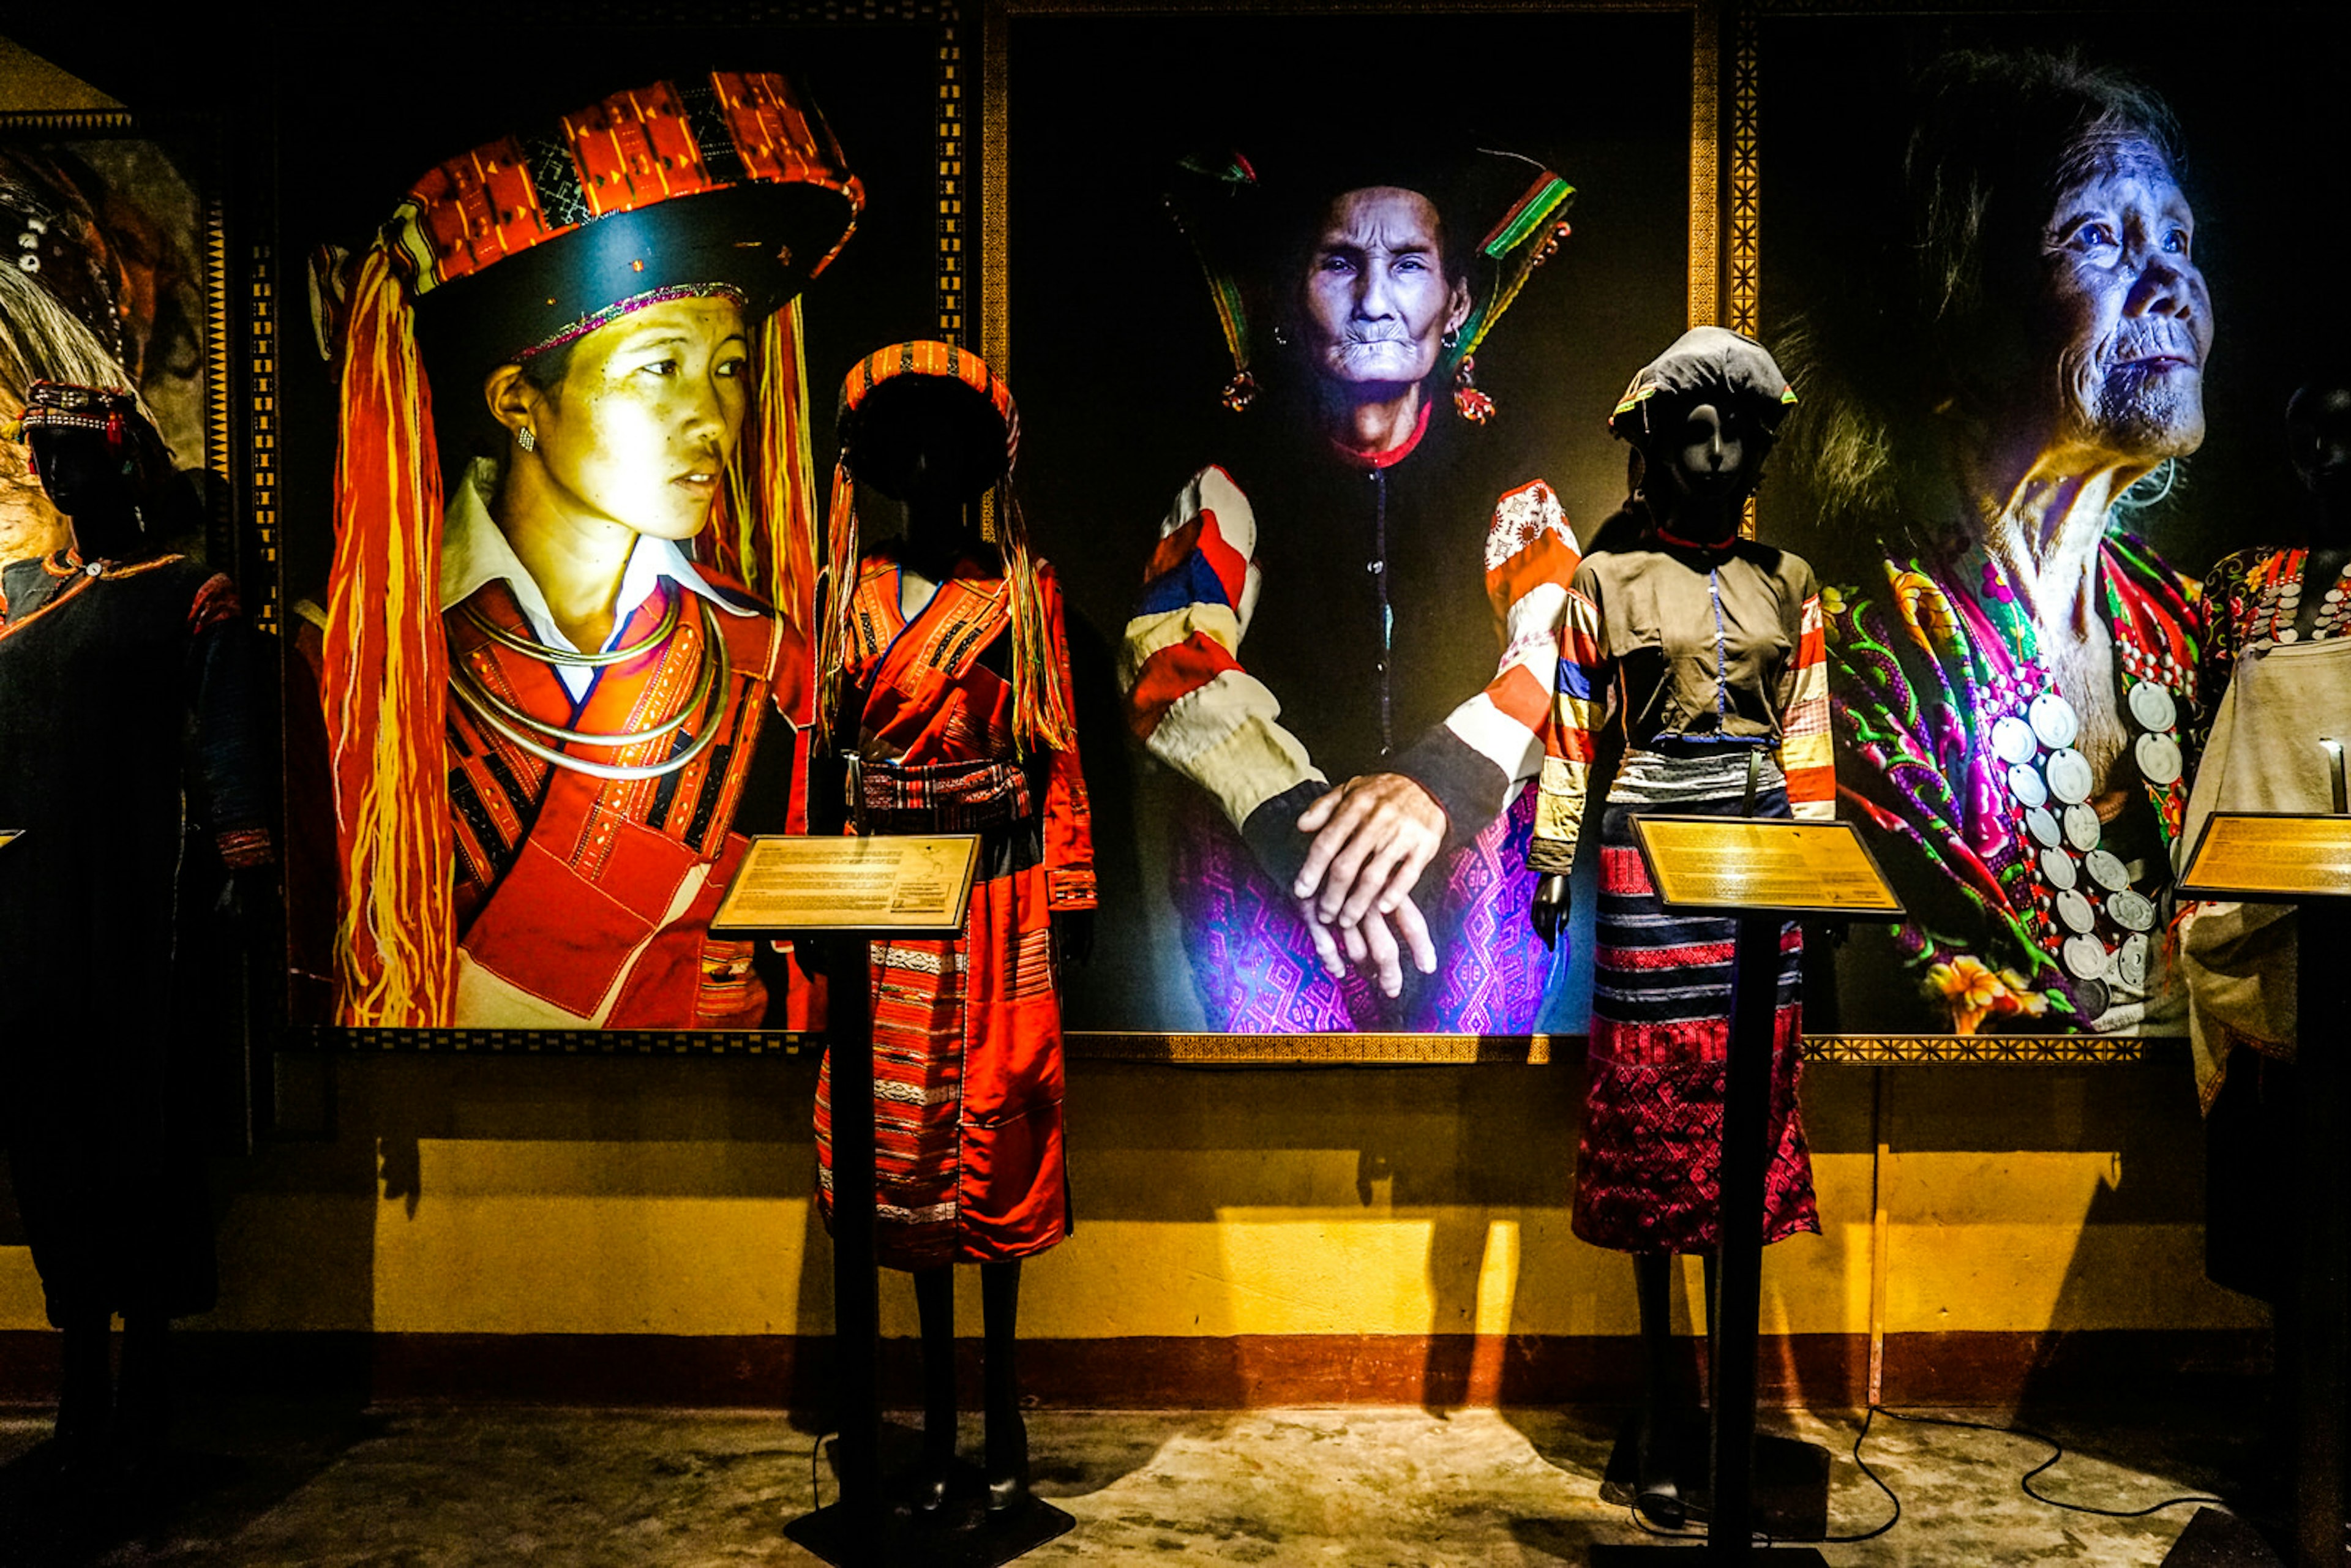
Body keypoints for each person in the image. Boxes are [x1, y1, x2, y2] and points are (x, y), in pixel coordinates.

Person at [309, 72, 861, 1029]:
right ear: (519, 401)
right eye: (658, 368)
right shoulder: (374, 665)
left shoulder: (769, 659)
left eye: (728, 368)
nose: (711, 418)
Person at [1785, 51, 2209, 1035]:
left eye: (2181, 239)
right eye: (2099, 235)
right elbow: (1935, 970)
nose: (2173, 284)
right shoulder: (1863, 653)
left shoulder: (2197, 630)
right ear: (1957, 319)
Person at [1122, 148, 1580, 1031]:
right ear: (1293, 297)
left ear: (1454, 304)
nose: (1374, 301)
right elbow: (1173, 655)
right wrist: (1309, 830)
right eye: (1341, 263)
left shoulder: (1508, 489)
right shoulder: (1236, 485)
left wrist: (1433, 791)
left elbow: (1559, 648)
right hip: (1281, 861)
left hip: (1461, 867)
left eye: (1408, 266)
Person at [1525, 326, 1826, 1524]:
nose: (1713, 450)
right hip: (1648, 861)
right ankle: (1662, 1398)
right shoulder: (1605, 582)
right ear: (1653, 447)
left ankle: (1734, 1412)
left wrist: (1820, 861)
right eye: (1690, 430)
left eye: (1732, 430)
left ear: (1757, 444)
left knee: (1744, 1113)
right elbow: (1571, 731)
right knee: (1654, 1121)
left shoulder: (1790, 585)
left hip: (1760, 861)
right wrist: (1555, 856)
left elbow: (1808, 734)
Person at [0, 155, 271, 1474]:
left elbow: (225, 757)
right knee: (48, 1137)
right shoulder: (9, 599)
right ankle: (79, 1380)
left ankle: (148, 1376)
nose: (57, 470)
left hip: (143, 911)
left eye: (75, 451)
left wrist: (239, 868)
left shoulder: (191, 597)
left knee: (141, 1142)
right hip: (34, 907)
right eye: (43, 452)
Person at [811, 340, 1093, 1512]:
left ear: (985, 464)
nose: (929, 464)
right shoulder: (847, 599)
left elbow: (1057, 750)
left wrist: (1069, 888)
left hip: (991, 889)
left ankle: (1005, 1400)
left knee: (995, 1119)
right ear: (879, 462)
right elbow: (823, 764)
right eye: (908, 442)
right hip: (879, 897)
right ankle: (928, 1406)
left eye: (953, 443)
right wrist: (807, 902)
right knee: (905, 1144)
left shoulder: (1022, 596)